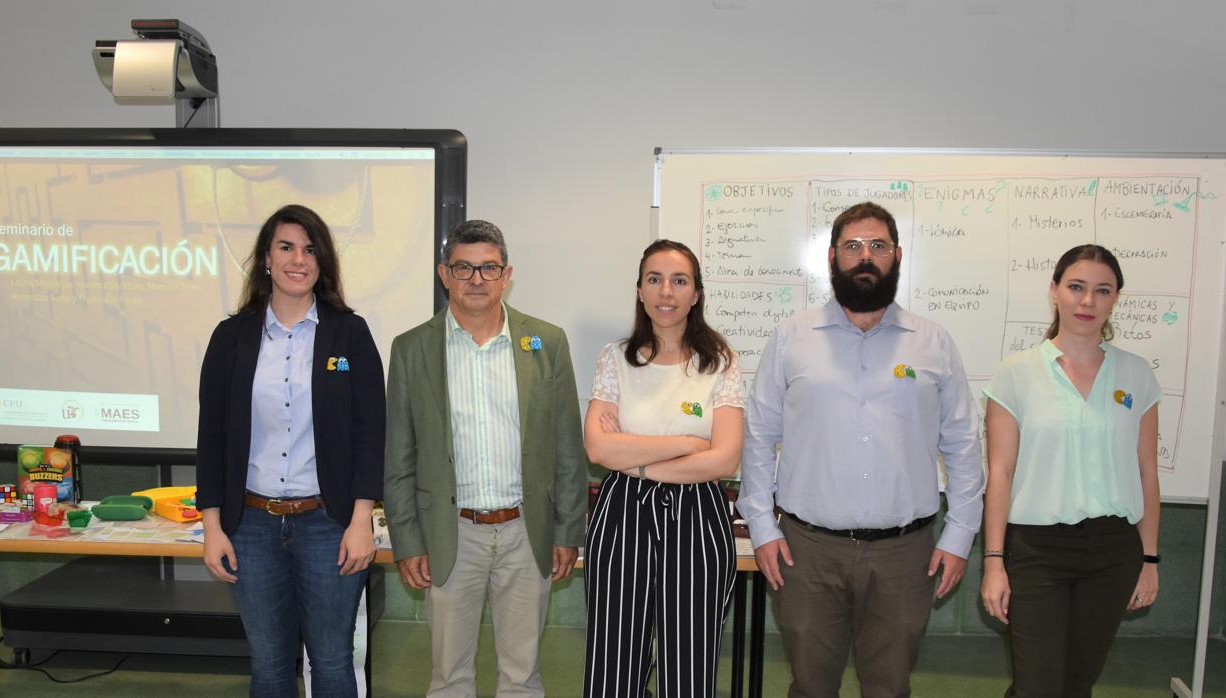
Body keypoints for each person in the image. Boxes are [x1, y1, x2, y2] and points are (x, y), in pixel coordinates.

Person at [737, 201, 984, 698]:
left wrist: (959, 535)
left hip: (905, 553)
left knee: (890, 688)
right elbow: (759, 437)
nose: (865, 256)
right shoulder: (791, 338)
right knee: (811, 686)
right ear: (832, 257)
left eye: (877, 246)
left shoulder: (933, 342)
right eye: (852, 246)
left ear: (897, 256)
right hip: (807, 551)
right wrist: (762, 528)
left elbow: (962, 443)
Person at [383, 219, 588, 697]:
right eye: (464, 268)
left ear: (506, 274)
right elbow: (398, 455)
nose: (477, 279)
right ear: (444, 273)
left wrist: (566, 530)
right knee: (449, 677)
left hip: (526, 532)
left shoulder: (545, 342)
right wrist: (408, 540)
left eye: (488, 268)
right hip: (450, 535)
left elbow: (566, 447)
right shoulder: (412, 348)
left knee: (523, 675)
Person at [196, 204, 385, 697]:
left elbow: (370, 432)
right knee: (271, 665)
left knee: (332, 661)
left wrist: (361, 519)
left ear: (322, 262)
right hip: (251, 528)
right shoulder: (230, 338)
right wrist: (212, 528)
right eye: (286, 247)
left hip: (328, 524)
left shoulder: (350, 334)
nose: (297, 259)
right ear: (265, 258)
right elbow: (211, 439)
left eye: (309, 249)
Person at [980, 244, 1160, 697]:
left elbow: (1147, 472)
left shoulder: (1137, 375)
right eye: (1076, 287)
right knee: (1037, 685)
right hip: (1036, 551)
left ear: (1116, 298)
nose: (1087, 302)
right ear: (1055, 291)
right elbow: (1000, 472)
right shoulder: (1016, 373)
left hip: (1114, 551)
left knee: (1077, 684)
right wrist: (994, 562)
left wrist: (1149, 559)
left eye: (1102, 290)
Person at [581, 239, 742, 697]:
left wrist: (637, 462)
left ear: (696, 294)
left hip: (697, 515)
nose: (665, 292)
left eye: (679, 281)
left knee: (689, 658)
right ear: (639, 291)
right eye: (654, 279)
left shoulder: (720, 362)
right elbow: (597, 448)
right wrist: (687, 443)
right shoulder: (615, 358)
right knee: (614, 656)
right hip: (622, 514)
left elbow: (725, 459)